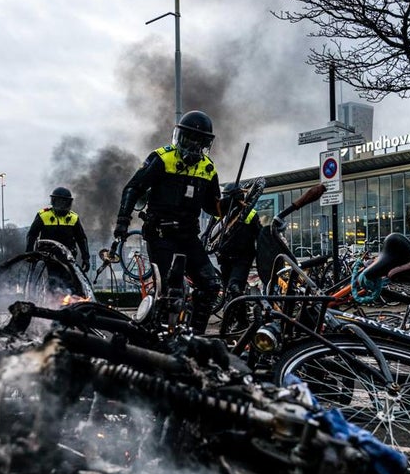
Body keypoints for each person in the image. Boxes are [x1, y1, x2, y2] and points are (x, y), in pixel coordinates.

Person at [112, 110, 227, 334]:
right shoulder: (162, 158)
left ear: (205, 144)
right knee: (170, 289)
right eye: (187, 138)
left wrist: (231, 202)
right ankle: (158, 334)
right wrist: (122, 222)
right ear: (179, 137)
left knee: (211, 286)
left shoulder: (208, 168)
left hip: (188, 236)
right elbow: (133, 188)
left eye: (197, 141)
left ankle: (195, 336)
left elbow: (212, 207)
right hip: (160, 235)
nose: (191, 145)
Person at [214, 182, 260, 302]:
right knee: (229, 290)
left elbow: (259, 236)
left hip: (242, 258)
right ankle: (236, 315)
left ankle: (242, 319)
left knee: (235, 286)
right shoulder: (221, 214)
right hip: (225, 258)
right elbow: (213, 235)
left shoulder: (250, 213)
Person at [26, 186, 91, 270]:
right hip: (47, 256)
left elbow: (81, 239)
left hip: (68, 256)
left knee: (69, 281)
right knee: (53, 279)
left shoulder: (73, 218)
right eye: (59, 202)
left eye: (65, 202)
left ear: (69, 203)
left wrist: (86, 258)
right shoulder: (44, 215)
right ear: (53, 201)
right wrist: (29, 253)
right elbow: (32, 235)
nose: (62, 206)